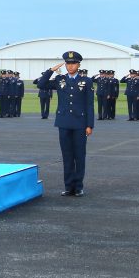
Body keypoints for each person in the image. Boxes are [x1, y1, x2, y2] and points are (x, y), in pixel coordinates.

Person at [36, 51, 94, 197]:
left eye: (73, 63)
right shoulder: (59, 79)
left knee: (79, 156)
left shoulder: (86, 81)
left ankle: (79, 187)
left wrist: (89, 125)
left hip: (80, 123)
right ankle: (69, 187)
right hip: (64, 122)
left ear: (79, 65)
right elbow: (41, 84)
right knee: (67, 156)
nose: (70, 66)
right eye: (68, 63)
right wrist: (51, 71)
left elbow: (89, 105)